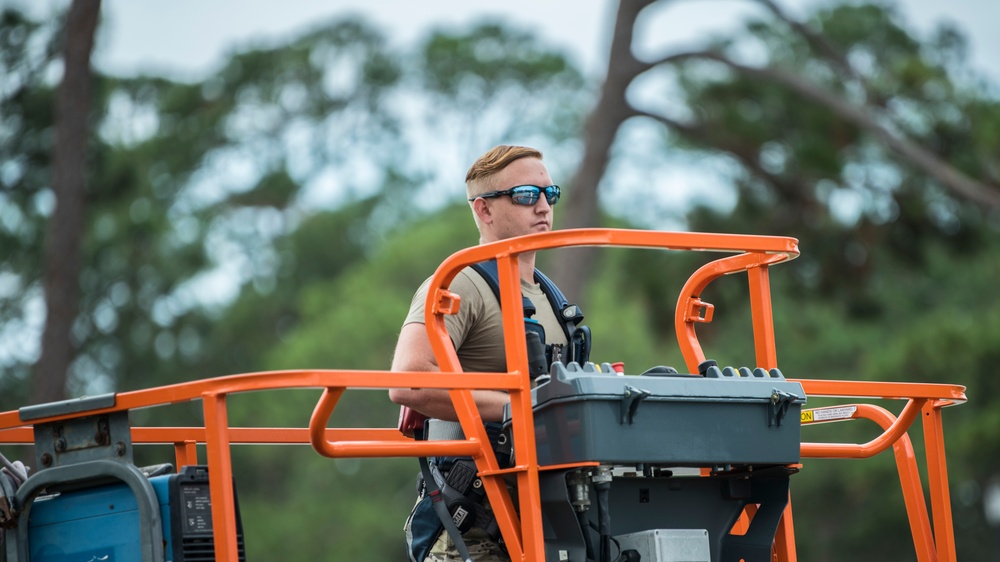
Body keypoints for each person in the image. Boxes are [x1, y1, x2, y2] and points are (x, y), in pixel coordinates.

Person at [389, 145, 571, 562]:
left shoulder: (551, 297)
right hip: (474, 521)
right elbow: (410, 381)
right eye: (526, 195)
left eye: (551, 193)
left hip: (549, 512)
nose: (543, 206)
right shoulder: (461, 284)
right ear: (484, 211)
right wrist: (521, 407)